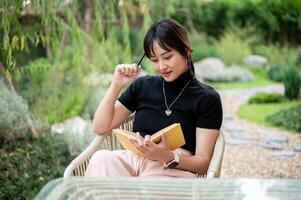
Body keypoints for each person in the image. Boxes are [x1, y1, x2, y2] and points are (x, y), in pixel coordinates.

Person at [85, 18, 223, 178]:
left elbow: (203, 163)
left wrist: (166, 156)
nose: (161, 66)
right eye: (155, 60)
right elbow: (99, 127)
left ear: (185, 50)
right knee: (101, 158)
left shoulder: (207, 98)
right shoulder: (143, 86)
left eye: (167, 57)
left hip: (171, 167)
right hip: (132, 161)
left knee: (151, 183)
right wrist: (116, 84)